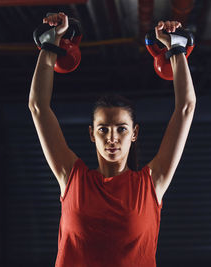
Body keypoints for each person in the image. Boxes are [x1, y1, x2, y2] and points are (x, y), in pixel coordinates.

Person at [28, 12, 196, 267]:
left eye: (121, 129)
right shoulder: (72, 179)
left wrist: (177, 50)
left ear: (135, 134)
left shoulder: (151, 185)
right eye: (103, 129)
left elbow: (185, 107)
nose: (112, 138)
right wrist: (50, 45)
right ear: (92, 134)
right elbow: (38, 107)